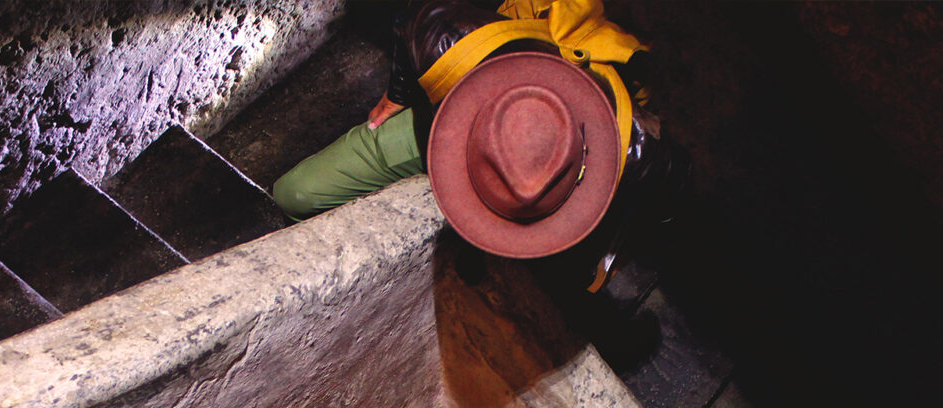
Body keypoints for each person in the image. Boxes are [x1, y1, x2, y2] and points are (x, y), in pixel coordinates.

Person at [272, 0, 690, 290]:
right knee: (296, 193)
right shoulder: (450, 41)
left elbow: (674, 192)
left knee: (558, 285)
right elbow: (417, 17)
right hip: (462, 124)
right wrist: (400, 91)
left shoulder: (637, 156)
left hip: (550, 178)